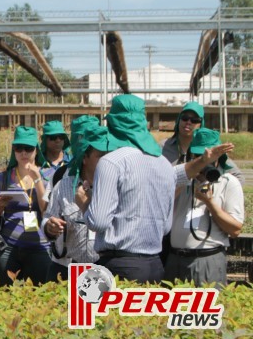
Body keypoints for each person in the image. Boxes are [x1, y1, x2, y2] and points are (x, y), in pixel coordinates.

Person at [79, 94, 233, 284]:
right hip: (154, 264)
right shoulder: (162, 163)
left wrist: (85, 204)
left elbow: (99, 222)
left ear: (112, 123)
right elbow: (166, 226)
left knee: (111, 314)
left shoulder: (111, 162)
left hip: (119, 264)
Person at [164, 128, 244, 287]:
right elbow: (161, 202)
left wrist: (210, 203)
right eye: (198, 156)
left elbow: (235, 229)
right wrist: (188, 175)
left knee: (206, 310)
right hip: (175, 259)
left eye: (208, 158)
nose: (204, 162)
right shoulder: (181, 178)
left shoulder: (229, 182)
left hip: (207, 259)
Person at [42, 123, 111, 281]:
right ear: (85, 158)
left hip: (104, 270)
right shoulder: (64, 185)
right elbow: (47, 216)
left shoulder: (116, 186)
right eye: (101, 155)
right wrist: (49, 226)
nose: (108, 161)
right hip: (66, 269)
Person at [0, 126, 49, 286]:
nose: (23, 153)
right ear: (13, 150)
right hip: (9, 245)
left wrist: (37, 180)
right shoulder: (3, 177)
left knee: (40, 296)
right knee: (7, 294)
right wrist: (0, 205)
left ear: (36, 150)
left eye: (28, 148)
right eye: (18, 148)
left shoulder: (48, 176)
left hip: (40, 246)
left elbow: (46, 210)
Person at [161, 102, 244, 183]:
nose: (188, 122)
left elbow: (239, 178)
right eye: (185, 117)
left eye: (194, 120)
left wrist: (213, 185)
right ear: (179, 119)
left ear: (201, 124)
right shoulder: (162, 147)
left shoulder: (207, 148)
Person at [37, 120, 71, 185]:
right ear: (45, 140)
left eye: (61, 137)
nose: (58, 140)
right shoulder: (38, 163)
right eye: (53, 137)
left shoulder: (72, 162)